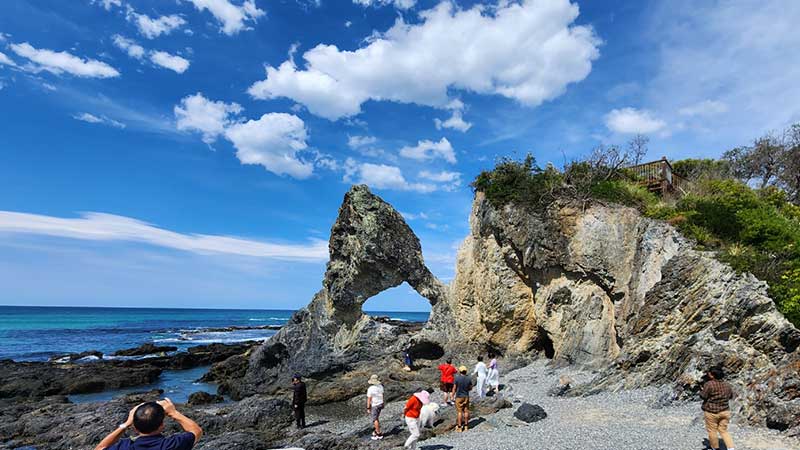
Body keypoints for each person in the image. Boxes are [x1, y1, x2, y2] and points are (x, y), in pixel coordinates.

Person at [94, 398, 202, 450]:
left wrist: (126, 424)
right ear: (161, 426)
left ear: (135, 427)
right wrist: (173, 413)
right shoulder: (171, 445)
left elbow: (100, 448)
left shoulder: (125, 446)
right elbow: (196, 431)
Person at [699, 367, 736, 450]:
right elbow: (730, 396)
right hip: (725, 411)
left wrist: (702, 390)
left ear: (712, 375)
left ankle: (715, 448)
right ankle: (731, 448)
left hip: (711, 412)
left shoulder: (709, 384)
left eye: (709, 373)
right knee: (724, 431)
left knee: (712, 431)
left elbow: (703, 396)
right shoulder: (727, 385)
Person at [452, 365, 473, 432]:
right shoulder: (468, 378)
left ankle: (460, 427)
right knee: (466, 411)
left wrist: (452, 395)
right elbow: (470, 388)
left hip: (459, 396)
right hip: (466, 396)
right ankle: (466, 426)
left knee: (459, 412)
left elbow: (454, 388)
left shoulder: (457, 378)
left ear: (460, 371)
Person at [366, 374, 384, 440]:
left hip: (375, 405)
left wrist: (368, 408)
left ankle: (378, 433)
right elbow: (382, 395)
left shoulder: (370, 389)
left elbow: (369, 399)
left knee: (375, 419)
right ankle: (376, 430)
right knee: (377, 417)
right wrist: (383, 403)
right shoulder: (381, 386)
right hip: (380, 403)